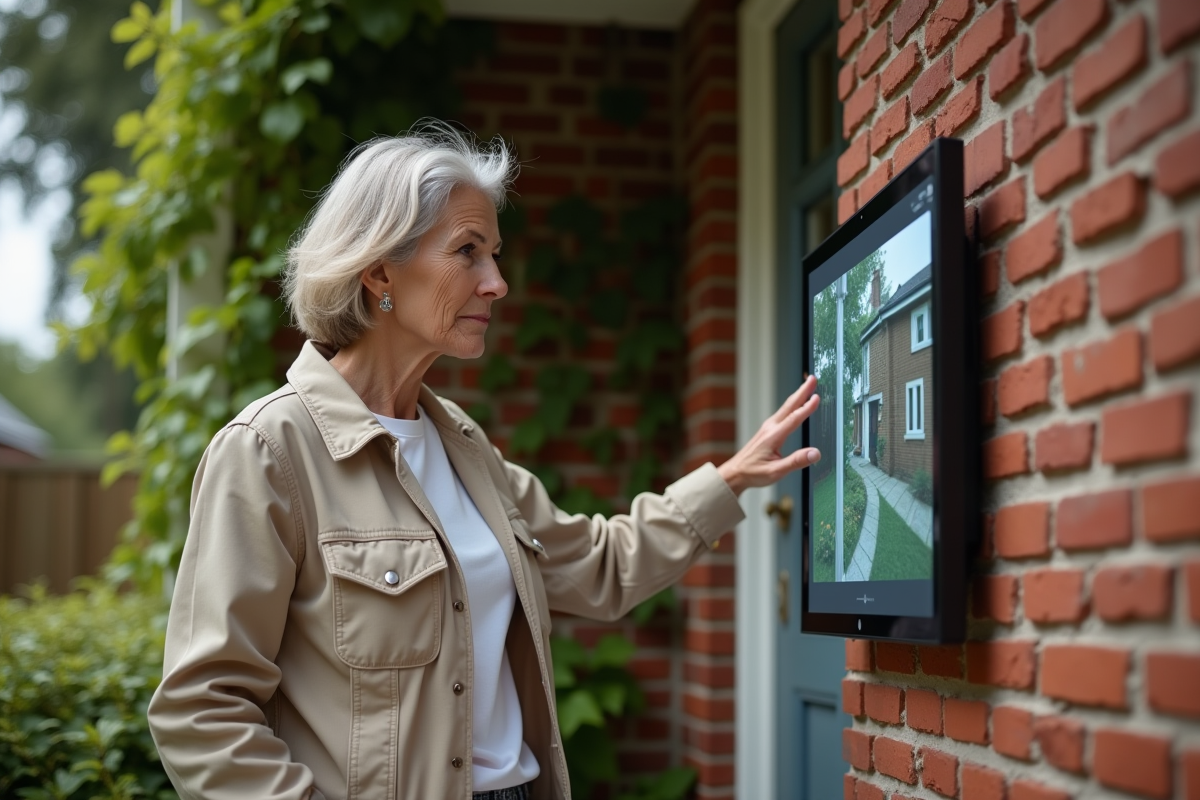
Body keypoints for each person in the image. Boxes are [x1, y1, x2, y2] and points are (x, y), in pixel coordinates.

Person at [146, 123, 821, 800]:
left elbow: (600, 568)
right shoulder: (269, 451)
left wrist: (728, 481)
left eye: (494, 254)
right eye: (467, 252)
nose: (497, 282)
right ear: (380, 270)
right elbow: (202, 714)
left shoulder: (463, 446)